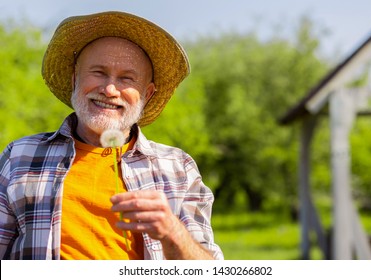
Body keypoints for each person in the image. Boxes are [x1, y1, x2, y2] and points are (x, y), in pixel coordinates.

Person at [0, 11, 223, 260]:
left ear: (147, 95)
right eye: (98, 72)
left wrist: (172, 231)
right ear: (75, 79)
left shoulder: (178, 168)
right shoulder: (19, 157)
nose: (109, 89)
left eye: (126, 78)